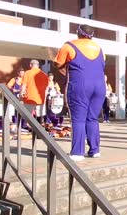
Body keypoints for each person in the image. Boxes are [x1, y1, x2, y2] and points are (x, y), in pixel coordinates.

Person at [54, 24, 105, 161]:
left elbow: (58, 64)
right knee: (92, 118)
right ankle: (95, 150)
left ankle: (77, 152)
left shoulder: (69, 46)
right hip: (100, 86)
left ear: (78, 33)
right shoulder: (99, 48)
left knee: (78, 119)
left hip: (80, 85)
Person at [21, 60, 48, 125]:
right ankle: (38, 131)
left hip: (29, 98)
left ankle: (29, 128)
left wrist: (20, 96)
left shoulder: (27, 73)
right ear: (38, 66)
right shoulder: (44, 75)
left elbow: (24, 85)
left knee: (28, 116)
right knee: (39, 116)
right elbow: (46, 89)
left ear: (30, 65)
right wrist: (44, 98)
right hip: (40, 98)